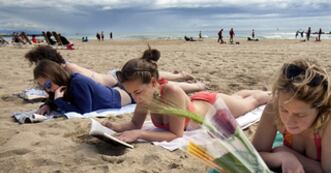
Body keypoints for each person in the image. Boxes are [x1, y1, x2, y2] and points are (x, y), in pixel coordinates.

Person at [103, 48, 270, 143]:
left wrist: (140, 134)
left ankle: (269, 93)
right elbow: (134, 123)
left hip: (212, 105)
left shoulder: (171, 92)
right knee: (238, 98)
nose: (135, 97)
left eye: (137, 92)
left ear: (154, 83)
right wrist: (114, 127)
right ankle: (249, 92)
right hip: (198, 103)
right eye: (131, 93)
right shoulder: (144, 97)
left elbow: (176, 134)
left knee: (252, 103)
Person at [24, 45, 206, 93]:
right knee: (153, 79)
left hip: (116, 82)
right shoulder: (61, 73)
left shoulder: (69, 69)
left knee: (156, 83)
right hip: (112, 80)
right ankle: (180, 75)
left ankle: (189, 81)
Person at [33, 60, 134, 115]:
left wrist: (59, 102)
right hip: (113, 91)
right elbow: (52, 99)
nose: (48, 90)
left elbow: (85, 111)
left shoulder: (77, 82)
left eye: (48, 85)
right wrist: (47, 105)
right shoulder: (62, 87)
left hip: (127, 94)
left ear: (56, 76)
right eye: (44, 88)